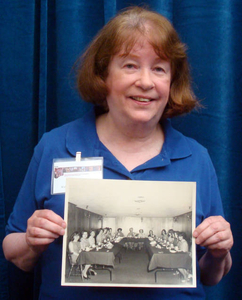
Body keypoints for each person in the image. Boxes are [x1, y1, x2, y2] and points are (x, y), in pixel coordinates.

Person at [2, 6, 233, 299]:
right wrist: (31, 241)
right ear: (103, 76)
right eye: (130, 65)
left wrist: (219, 250)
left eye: (159, 68)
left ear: (171, 82)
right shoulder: (54, 145)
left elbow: (212, 276)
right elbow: (14, 251)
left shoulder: (197, 157)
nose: (146, 82)